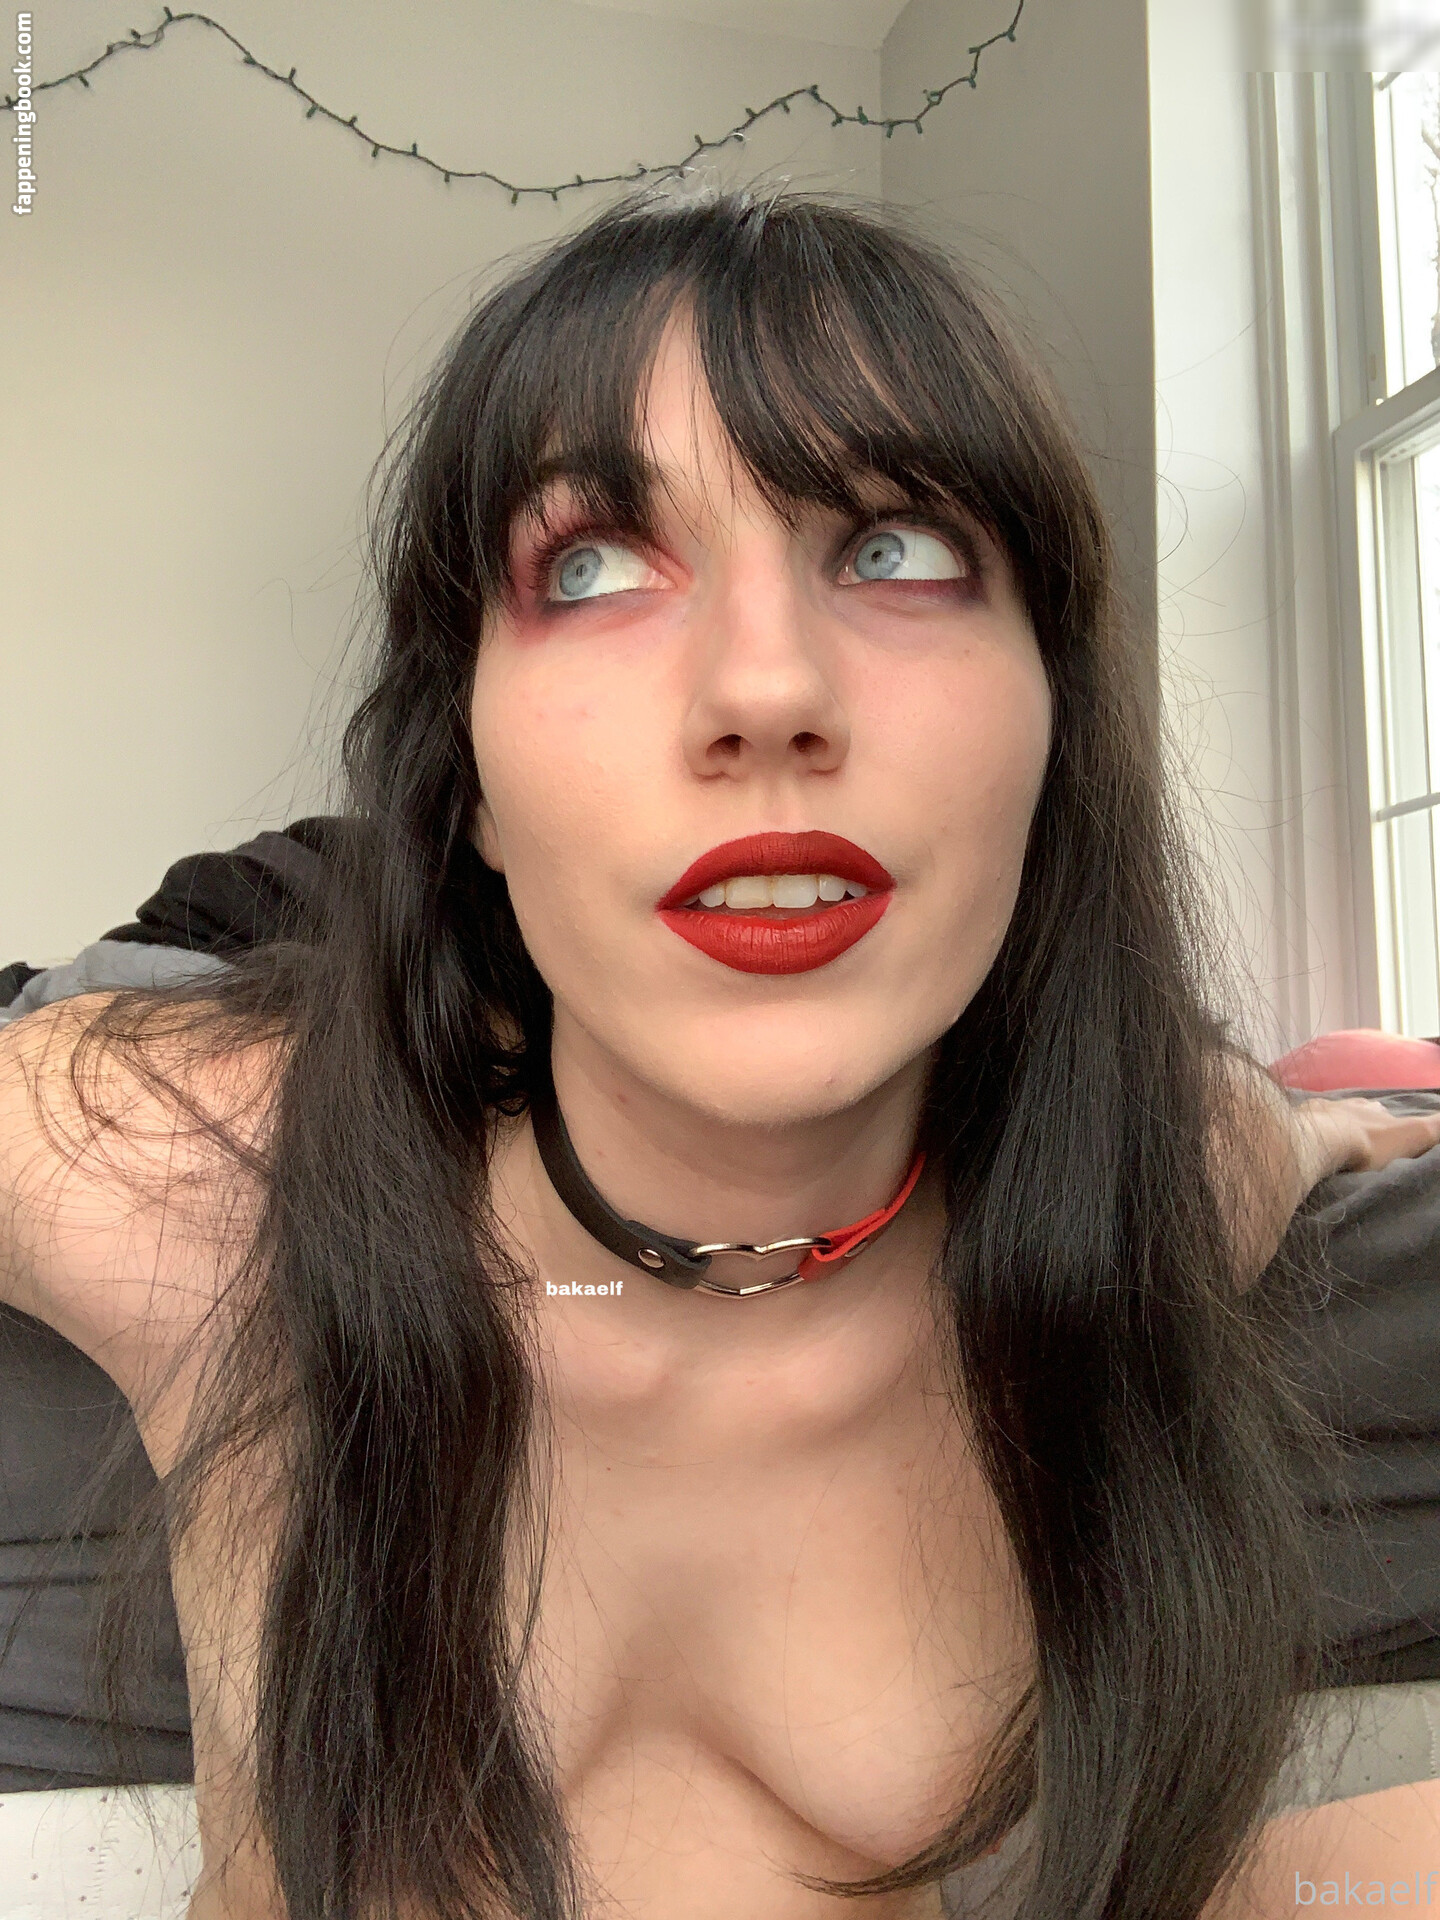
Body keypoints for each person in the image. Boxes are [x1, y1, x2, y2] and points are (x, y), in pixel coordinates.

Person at [1, 187, 1437, 1920]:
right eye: (592, 566)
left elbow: (1258, 1123)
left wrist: (1347, 1119)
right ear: (466, 781)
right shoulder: (193, 1173)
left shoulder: (1141, 1206)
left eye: (897, 549)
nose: (766, 688)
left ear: (1056, 728)